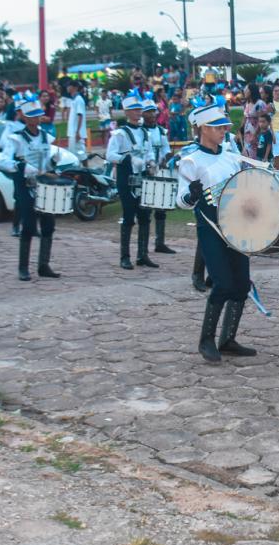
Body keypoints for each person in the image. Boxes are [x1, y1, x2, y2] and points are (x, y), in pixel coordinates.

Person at [177, 98, 259, 362]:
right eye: (217, 127)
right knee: (222, 283)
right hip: (211, 228)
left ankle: (228, 339)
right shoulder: (190, 161)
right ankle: (206, 340)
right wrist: (191, 195)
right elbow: (179, 201)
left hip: (237, 226)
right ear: (202, 129)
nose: (224, 130)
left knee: (242, 284)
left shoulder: (231, 157)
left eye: (224, 126)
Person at [1, 95, 63, 281]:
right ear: (25, 118)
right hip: (25, 184)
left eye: (38, 116)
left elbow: (47, 165)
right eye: (32, 116)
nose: (36, 119)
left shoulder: (45, 136)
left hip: (43, 183)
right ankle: (23, 267)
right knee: (28, 225)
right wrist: (21, 167)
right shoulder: (16, 139)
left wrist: (53, 161)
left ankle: (44, 265)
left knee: (48, 225)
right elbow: (4, 161)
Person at [107, 94, 158, 271]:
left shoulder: (145, 132)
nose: (139, 113)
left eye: (140, 110)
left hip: (143, 177)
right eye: (135, 110)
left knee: (145, 216)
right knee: (129, 216)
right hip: (126, 178)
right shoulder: (120, 133)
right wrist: (127, 159)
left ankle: (142, 255)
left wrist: (151, 162)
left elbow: (149, 152)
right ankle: (125, 256)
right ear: (127, 112)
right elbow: (110, 155)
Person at [142, 96, 178, 255]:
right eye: (148, 112)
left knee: (161, 207)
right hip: (146, 171)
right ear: (143, 114)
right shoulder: (140, 131)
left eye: (153, 112)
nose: (152, 115)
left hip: (160, 170)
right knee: (145, 209)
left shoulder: (160, 131)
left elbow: (165, 149)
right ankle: (143, 247)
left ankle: (160, 242)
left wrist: (167, 157)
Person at [63, 80, 88, 156]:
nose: (67, 88)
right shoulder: (73, 100)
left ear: (75, 88)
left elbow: (80, 116)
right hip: (72, 132)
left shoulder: (78, 99)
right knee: (74, 154)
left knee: (81, 154)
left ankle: (86, 168)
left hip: (76, 133)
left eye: (69, 86)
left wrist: (78, 132)